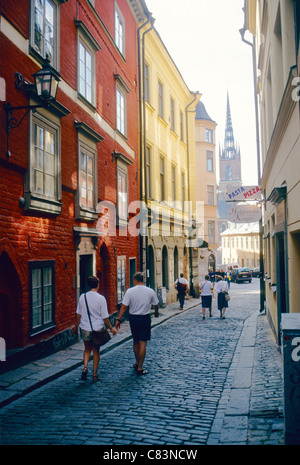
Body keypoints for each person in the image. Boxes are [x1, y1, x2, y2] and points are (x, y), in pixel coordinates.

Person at [72, 276, 117, 382]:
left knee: (87, 349)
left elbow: (79, 315)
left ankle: (85, 367)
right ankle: (95, 374)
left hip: (85, 327)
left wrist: (75, 327)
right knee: (96, 351)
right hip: (97, 328)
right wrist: (111, 328)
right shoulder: (101, 298)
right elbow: (105, 317)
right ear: (98, 285)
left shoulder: (83, 297)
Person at [115, 272, 159, 376]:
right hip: (145, 318)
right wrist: (156, 312)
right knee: (143, 342)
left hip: (133, 318)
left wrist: (118, 319)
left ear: (135, 280)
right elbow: (156, 304)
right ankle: (140, 367)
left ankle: (137, 362)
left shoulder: (130, 291)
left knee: (135, 341)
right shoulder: (150, 291)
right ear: (142, 280)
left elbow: (124, 306)